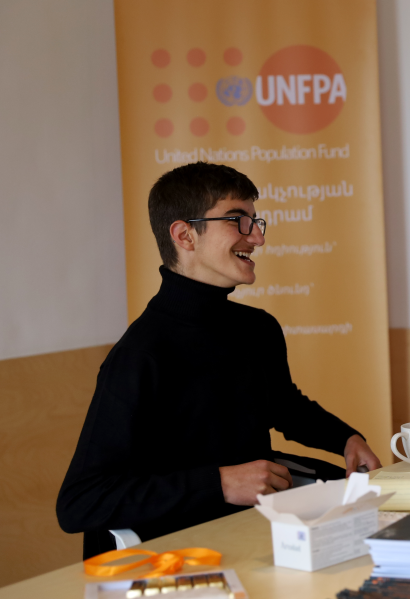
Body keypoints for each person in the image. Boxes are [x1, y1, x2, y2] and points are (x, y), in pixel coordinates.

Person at [57, 162, 381, 558]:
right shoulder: (139, 356)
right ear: (185, 235)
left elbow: (283, 403)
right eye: (237, 220)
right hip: (177, 560)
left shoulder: (258, 328)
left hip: (254, 537)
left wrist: (346, 438)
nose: (258, 237)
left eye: (256, 222)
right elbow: (80, 502)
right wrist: (220, 483)